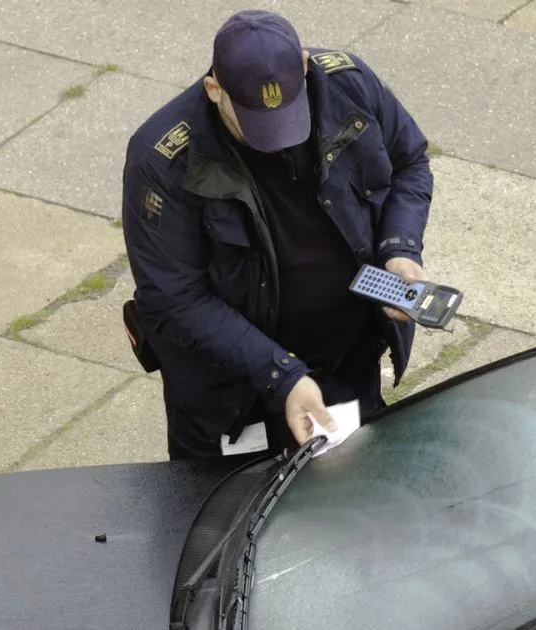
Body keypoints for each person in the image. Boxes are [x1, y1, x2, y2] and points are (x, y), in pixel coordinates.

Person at [120, 9, 433, 459]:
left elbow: (410, 163)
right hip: (234, 398)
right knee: (231, 504)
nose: (281, 141)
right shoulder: (161, 161)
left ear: (304, 66)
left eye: (290, 115)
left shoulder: (350, 85)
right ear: (214, 91)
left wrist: (399, 248)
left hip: (347, 369)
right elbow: (173, 299)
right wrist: (282, 375)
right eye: (257, 124)